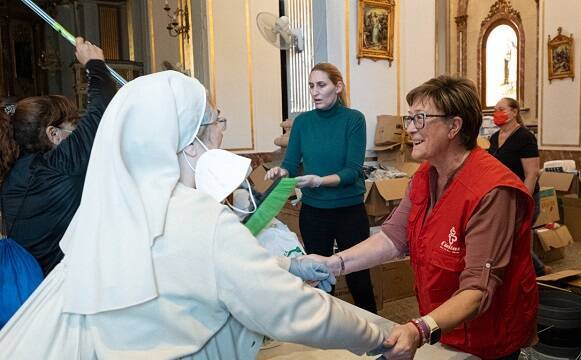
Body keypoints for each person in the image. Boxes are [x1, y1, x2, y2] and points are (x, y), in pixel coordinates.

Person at [0, 70, 386, 359]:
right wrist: (380, 338)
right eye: (216, 122)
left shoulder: (113, 212)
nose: (221, 133)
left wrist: (291, 267)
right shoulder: (200, 219)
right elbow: (293, 310)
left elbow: (196, 265)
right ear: (188, 142)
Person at [304, 76, 538, 359]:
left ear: (454, 126)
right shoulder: (425, 176)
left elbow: (478, 289)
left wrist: (419, 329)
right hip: (443, 325)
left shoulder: (493, 191)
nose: (410, 128)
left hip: (489, 334)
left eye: (420, 118)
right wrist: (333, 264)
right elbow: (392, 237)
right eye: (409, 118)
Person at [264, 62, 377, 314]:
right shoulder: (303, 122)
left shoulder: (354, 119)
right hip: (314, 213)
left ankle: (377, 339)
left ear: (338, 87)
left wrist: (318, 181)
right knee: (319, 281)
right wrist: (280, 172)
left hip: (350, 212)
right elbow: (291, 164)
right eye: (311, 86)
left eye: (321, 85)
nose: (315, 91)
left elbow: (352, 171)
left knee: (359, 278)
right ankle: (324, 338)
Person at [0, 38, 116, 276]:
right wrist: (94, 64)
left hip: (32, 285)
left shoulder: (14, 175)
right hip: (56, 286)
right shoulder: (59, 165)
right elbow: (101, 111)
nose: (77, 133)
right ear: (53, 134)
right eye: (73, 126)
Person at [489, 97, 550, 276]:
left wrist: (525, 199)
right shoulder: (494, 137)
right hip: (503, 196)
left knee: (514, 236)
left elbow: (531, 173)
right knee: (509, 237)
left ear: (514, 112)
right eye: (495, 110)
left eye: (502, 109)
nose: (497, 113)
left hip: (522, 195)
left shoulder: (525, 137)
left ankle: (537, 270)